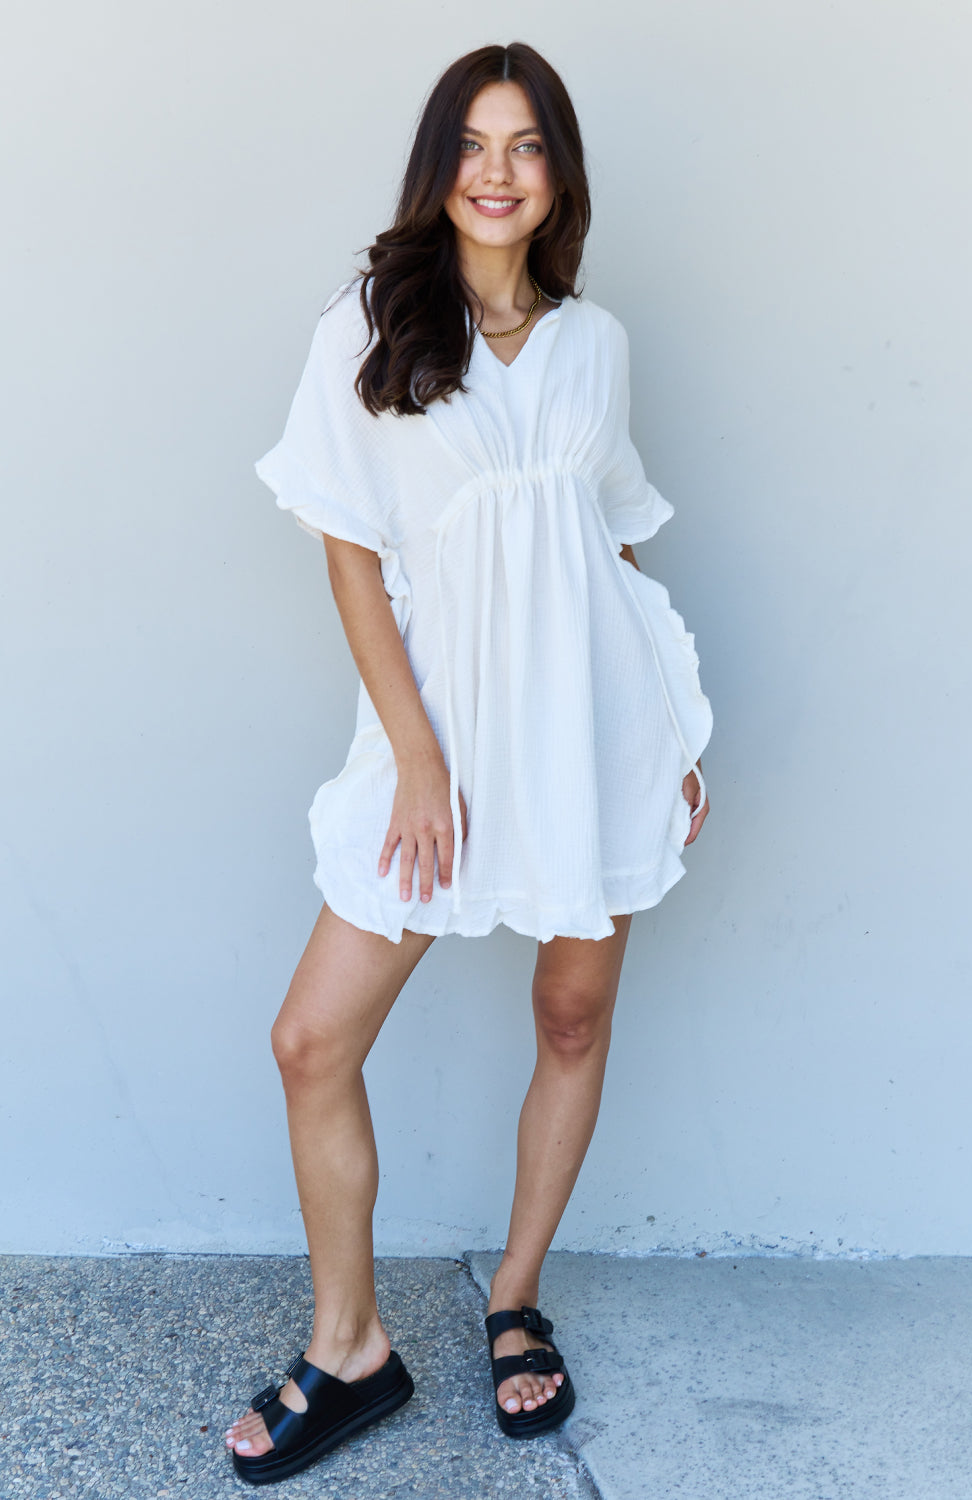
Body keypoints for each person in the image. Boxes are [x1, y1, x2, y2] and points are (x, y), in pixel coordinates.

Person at [225, 40, 712, 1486]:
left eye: (528, 146)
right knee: (312, 1040)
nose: (497, 174)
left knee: (571, 1020)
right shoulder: (371, 324)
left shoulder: (596, 344)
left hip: (590, 735)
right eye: (474, 144)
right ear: (440, 164)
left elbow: (608, 557)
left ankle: (513, 1302)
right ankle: (352, 1346)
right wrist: (420, 760)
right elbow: (353, 562)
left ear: (557, 173)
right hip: (435, 748)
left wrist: (673, 732)